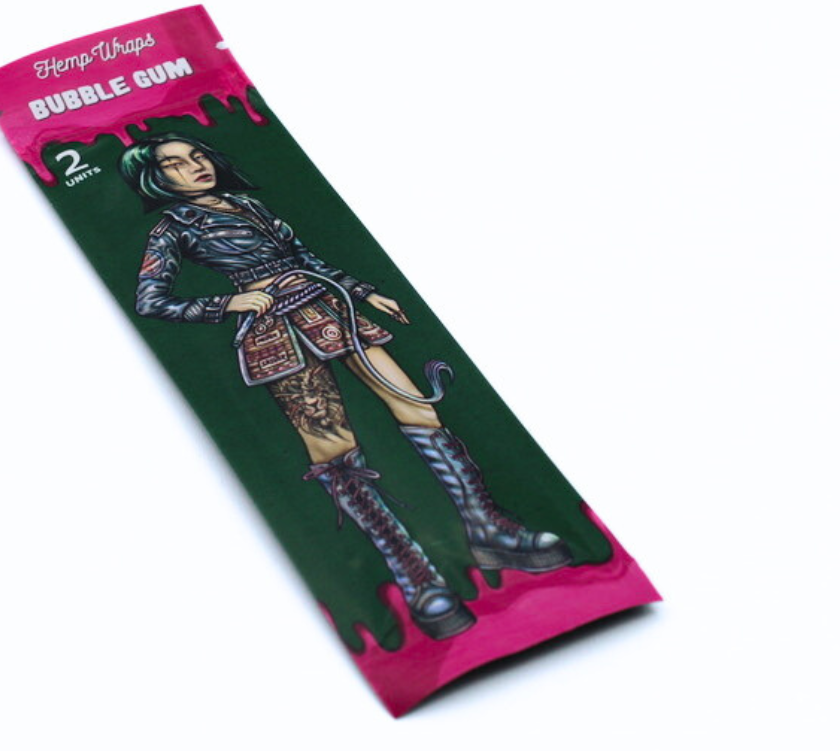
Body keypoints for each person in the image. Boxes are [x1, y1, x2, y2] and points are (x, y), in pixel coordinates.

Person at [120, 134, 571, 641]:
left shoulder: (249, 205)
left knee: (417, 407)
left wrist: (365, 291)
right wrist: (225, 305)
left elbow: (303, 256)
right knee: (335, 451)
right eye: (175, 163)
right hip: (275, 333)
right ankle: (417, 579)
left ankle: (488, 531)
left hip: (329, 306)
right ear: (156, 177)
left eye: (198, 155)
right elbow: (151, 301)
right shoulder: (172, 228)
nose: (194, 166)